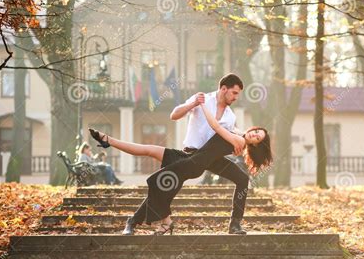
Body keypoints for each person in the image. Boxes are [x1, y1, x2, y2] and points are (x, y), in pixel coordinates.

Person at [89, 103, 272, 235]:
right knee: (148, 151)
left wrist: (202, 105)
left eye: (256, 138)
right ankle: (108, 141)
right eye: (256, 131)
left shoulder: (239, 141)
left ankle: (234, 224)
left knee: (157, 182)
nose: (254, 134)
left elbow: (215, 125)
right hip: (192, 156)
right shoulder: (237, 129)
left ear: (254, 145)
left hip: (198, 161)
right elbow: (220, 124)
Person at [168, 73, 252, 234]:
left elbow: (226, 137)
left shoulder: (230, 116)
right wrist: (192, 104)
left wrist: (237, 144)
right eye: (234, 93)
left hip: (213, 157)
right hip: (192, 155)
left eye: (238, 94)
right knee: (166, 183)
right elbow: (174, 115)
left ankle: (235, 224)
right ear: (223, 88)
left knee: (242, 178)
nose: (236, 98)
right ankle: (134, 220)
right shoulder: (202, 99)